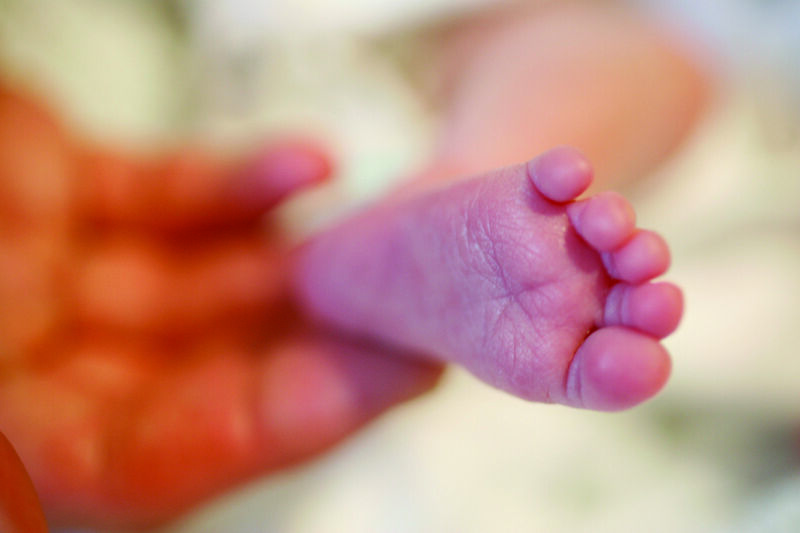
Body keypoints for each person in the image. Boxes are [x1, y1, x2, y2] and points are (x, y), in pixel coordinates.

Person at [0, 2, 709, 530]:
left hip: (290, 132)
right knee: (622, 58)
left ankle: (476, 175)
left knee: (609, 54)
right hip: (269, 143)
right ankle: (470, 173)